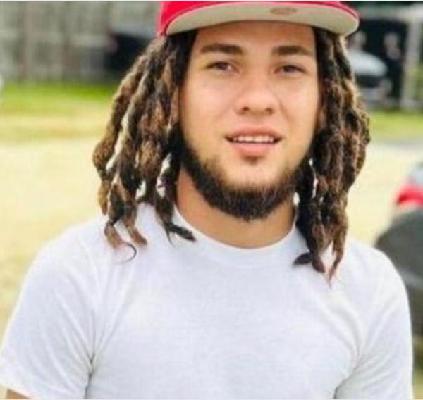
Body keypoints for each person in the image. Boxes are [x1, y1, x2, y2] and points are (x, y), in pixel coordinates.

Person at [0, 1, 414, 398]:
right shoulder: (79, 276)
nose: (258, 99)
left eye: (289, 68)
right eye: (222, 66)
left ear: (324, 99)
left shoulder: (369, 293)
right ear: (173, 92)